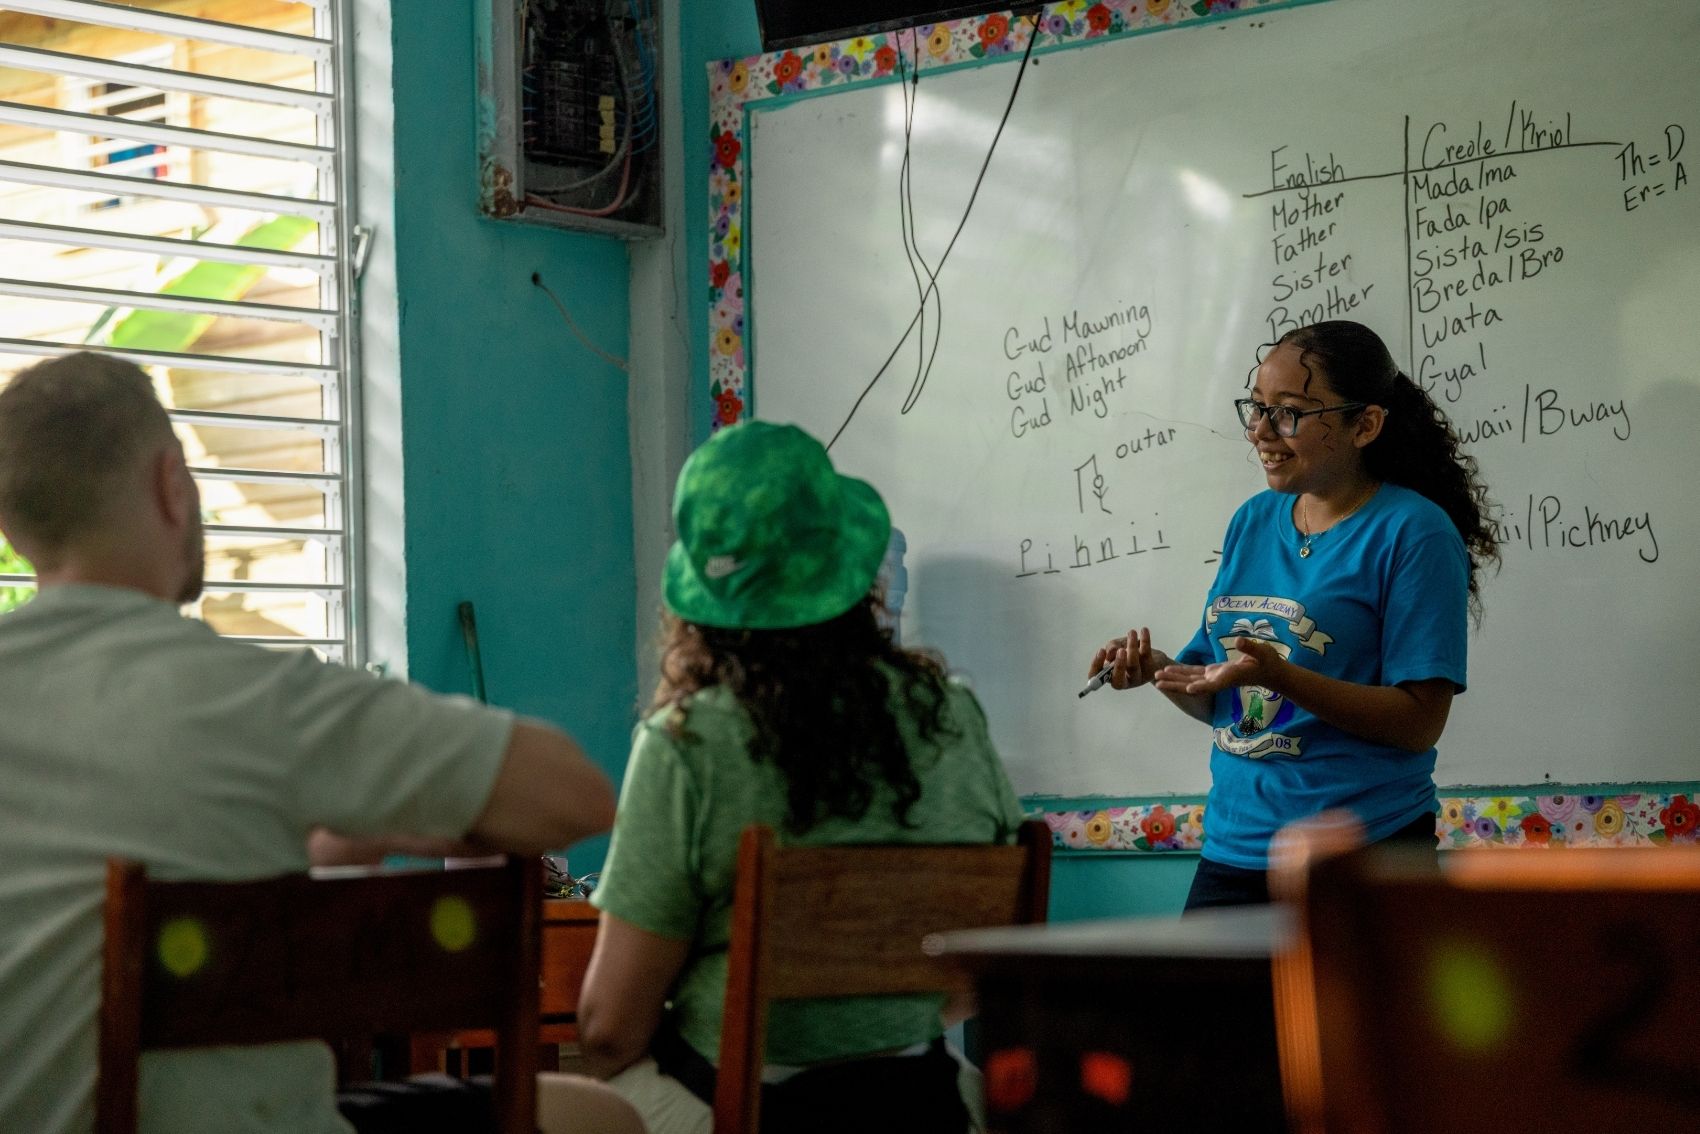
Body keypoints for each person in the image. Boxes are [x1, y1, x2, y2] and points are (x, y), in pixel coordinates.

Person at [0, 352, 633, 1134]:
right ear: (171, 486)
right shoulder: (254, 697)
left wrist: (318, 845)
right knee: (598, 1119)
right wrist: (399, 816)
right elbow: (574, 796)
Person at [566, 421, 1027, 1134]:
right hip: (930, 1107)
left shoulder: (687, 743)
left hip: (738, 1109)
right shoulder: (954, 717)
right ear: (848, 569)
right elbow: (974, 980)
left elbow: (608, 1028)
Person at [1088, 321, 1499, 911]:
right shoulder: (1253, 520)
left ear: (1366, 424)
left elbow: (1419, 722)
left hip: (1362, 855)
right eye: (1255, 408)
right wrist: (1160, 669)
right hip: (1234, 848)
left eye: (1288, 412)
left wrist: (1278, 676)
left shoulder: (1415, 532)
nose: (1259, 431)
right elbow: (1224, 700)